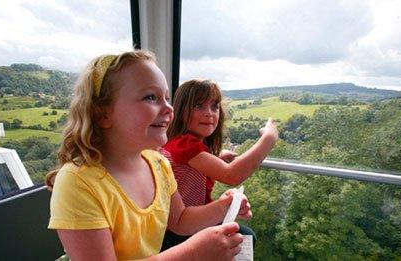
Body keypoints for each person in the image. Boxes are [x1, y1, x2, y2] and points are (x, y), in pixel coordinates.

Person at [46, 50, 252, 260]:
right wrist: (192, 254)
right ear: (103, 114)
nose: (169, 108)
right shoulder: (78, 182)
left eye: (167, 98)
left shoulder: (158, 164)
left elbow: (180, 220)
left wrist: (223, 205)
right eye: (151, 97)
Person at [161, 79, 279, 250]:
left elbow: (189, 165)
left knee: (245, 237)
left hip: (187, 225)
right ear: (181, 111)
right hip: (178, 232)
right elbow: (232, 175)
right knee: (246, 237)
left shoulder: (184, 144)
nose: (209, 113)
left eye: (214, 107)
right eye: (199, 106)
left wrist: (218, 157)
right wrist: (269, 138)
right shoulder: (184, 144)